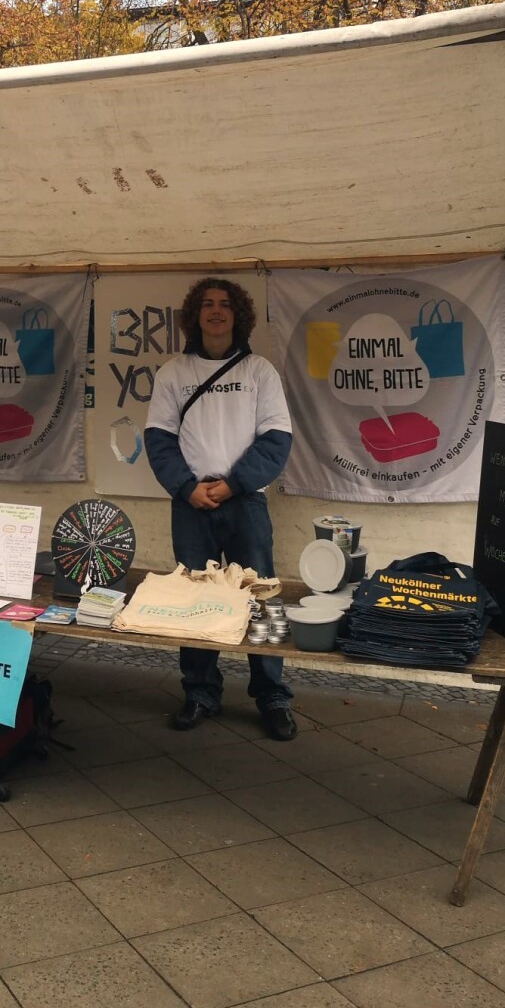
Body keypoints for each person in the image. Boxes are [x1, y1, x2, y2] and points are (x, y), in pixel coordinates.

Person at [144, 279, 297, 739]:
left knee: (262, 597)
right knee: (195, 599)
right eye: (207, 305)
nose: (216, 312)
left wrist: (231, 485)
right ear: (195, 313)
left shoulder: (259, 372)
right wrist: (187, 487)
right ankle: (200, 693)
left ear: (238, 315)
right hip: (191, 503)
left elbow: (276, 441)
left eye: (225, 305)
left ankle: (272, 696)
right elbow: (159, 440)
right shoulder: (172, 372)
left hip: (245, 501)